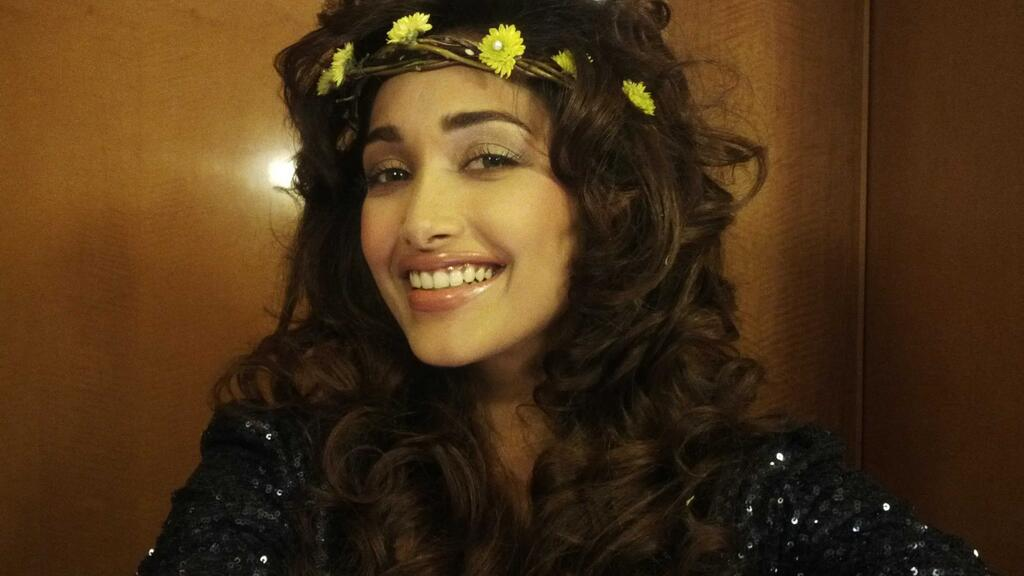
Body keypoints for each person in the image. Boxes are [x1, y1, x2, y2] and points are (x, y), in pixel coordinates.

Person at [138, 1, 994, 574]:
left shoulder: (750, 483)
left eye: (489, 158)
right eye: (389, 172)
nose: (419, 221)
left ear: (609, 200)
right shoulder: (283, 456)